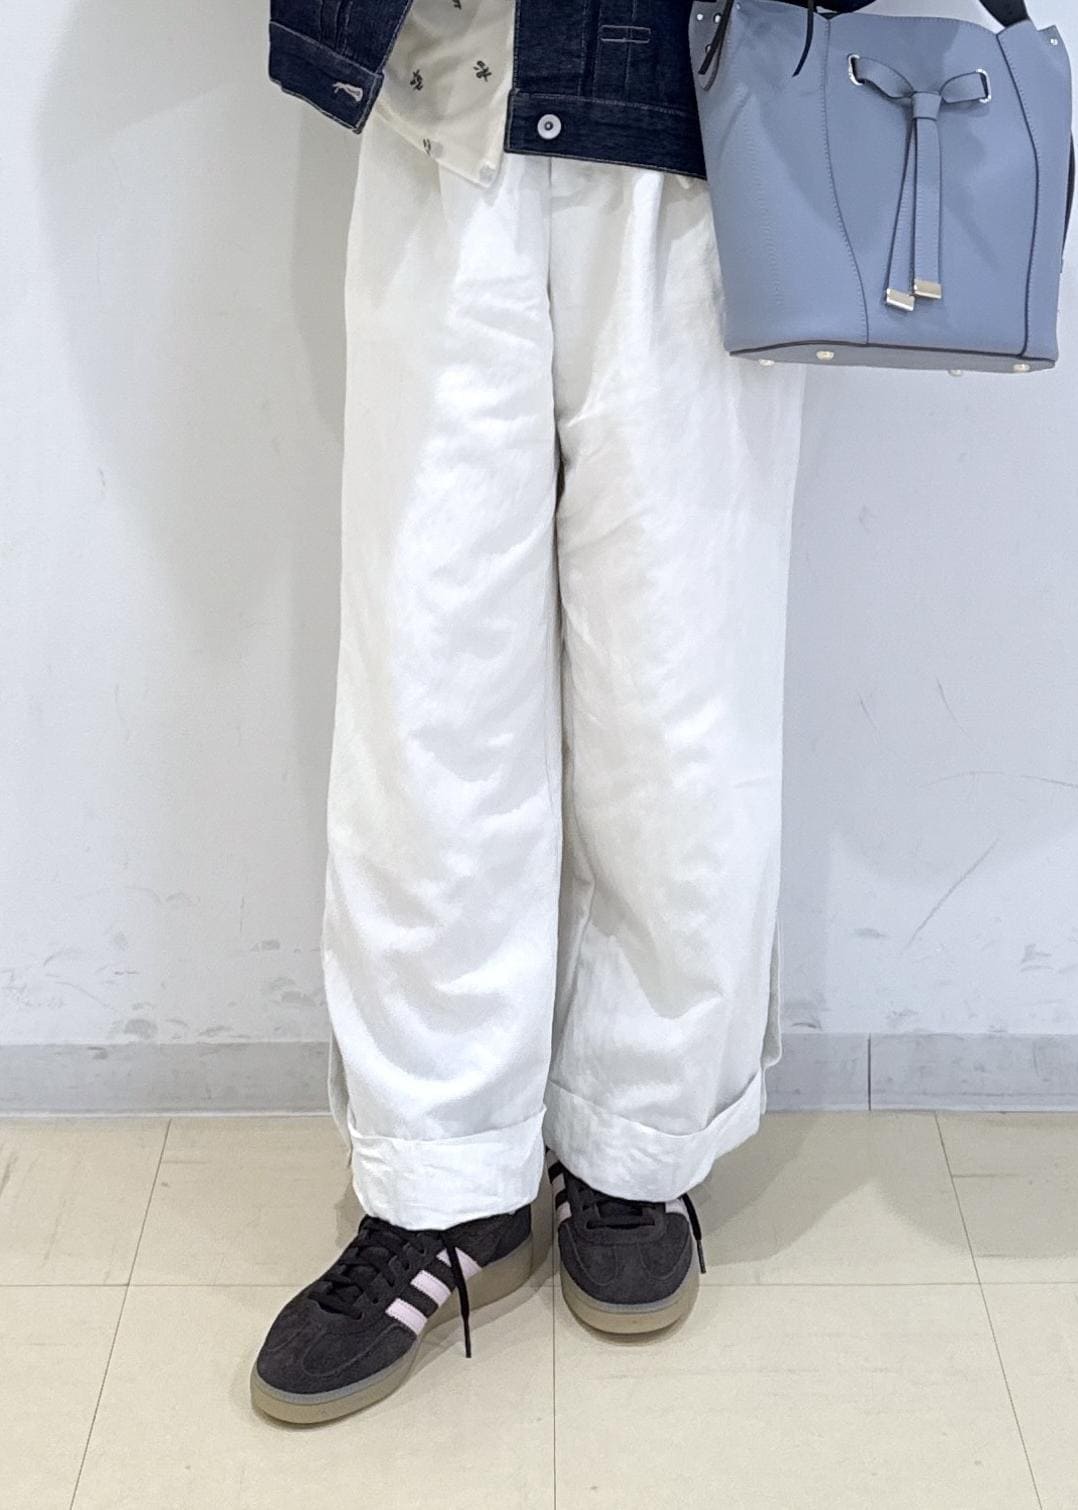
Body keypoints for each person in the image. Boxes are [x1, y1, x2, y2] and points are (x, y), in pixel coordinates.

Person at [251, 0, 806, 1425]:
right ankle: (444, 1180)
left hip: (711, 123)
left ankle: (636, 1144)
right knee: (427, 693)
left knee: (680, 695)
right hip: (449, 97)